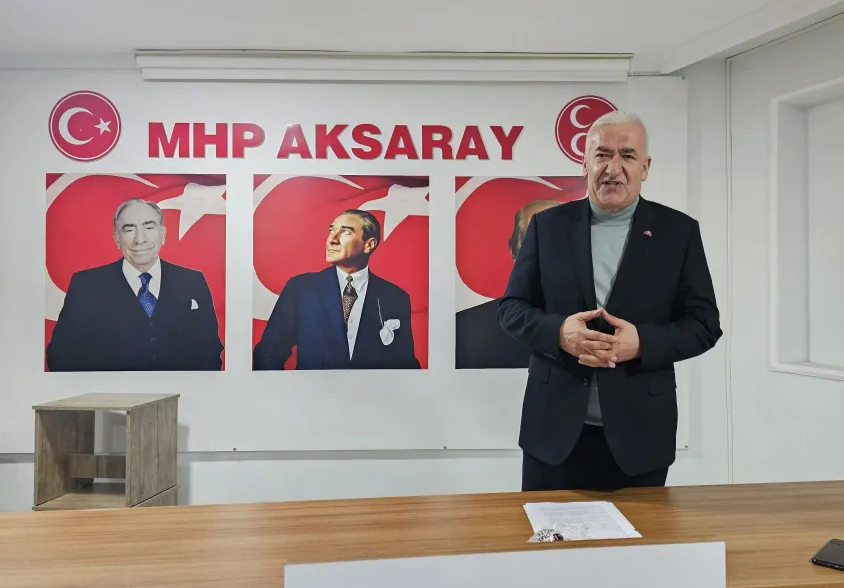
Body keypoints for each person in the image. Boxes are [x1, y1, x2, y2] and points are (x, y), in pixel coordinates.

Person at [497, 111, 722, 491]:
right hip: (552, 434)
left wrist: (642, 343)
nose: (613, 168)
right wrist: (560, 333)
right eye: (602, 155)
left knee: (638, 533)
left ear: (645, 167)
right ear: (585, 163)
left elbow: (704, 325)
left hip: (641, 437)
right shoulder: (547, 227)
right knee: (547, 530)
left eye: (627, 155)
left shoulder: (678, 232)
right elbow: (511, 308)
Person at [46, 199, 223, 372]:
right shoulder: (86, 285)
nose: (140, 239)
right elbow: (61, 356)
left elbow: (210, 351)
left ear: (162, 234)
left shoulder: (192, 281)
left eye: (149, 227)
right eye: (129, 229)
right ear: (117, 238)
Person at [253, 209, 419, 370]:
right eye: (332, 230)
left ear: (369, 245)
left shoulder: (395, 297)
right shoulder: (301, 289)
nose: (332, 239)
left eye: (345, 232)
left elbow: (405, 364)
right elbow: (268, 353)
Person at [455, 199, 562, 369]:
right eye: (537, 242)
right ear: (513, 251)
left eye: (561, 243)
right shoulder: (466, 327)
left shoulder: (599, 324)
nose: (550, 254)